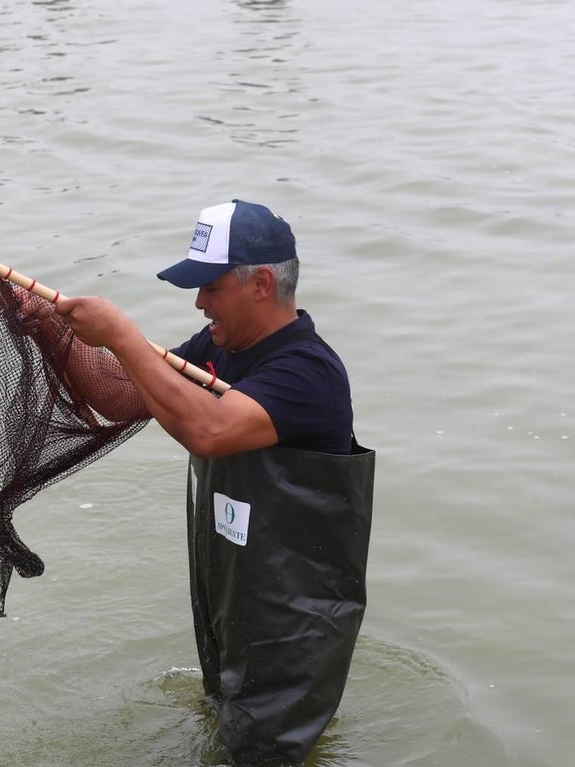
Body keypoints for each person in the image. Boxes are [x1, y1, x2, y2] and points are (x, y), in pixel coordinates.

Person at [20, 199, 375, 767]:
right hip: (233, 598)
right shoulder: (219, 348)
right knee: (226, 732)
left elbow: (209, 431)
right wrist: (49, 325)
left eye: (211, 287)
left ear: (261, 284)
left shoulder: (308, 372)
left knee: (264, 754)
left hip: (295, 621)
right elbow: (123, 395)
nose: (199, 302)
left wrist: (122, 334)